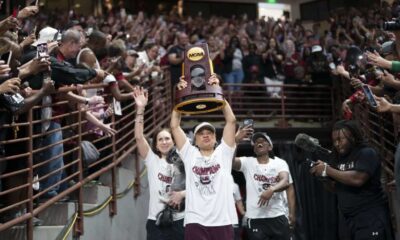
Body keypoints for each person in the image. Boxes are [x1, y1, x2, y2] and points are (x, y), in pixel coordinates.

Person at [170, 74, 238, 239]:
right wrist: (180, 95)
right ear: (195, 140)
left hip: (222, 220)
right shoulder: (189, 153)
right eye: (201, 133)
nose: (206, 135)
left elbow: (231, 120)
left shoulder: (224, 152)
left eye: (210, 133)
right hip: (195, 221)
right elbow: (174, 126)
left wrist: (217, 91)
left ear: (215, 138)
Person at [309, 120, 393, 240]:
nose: (337, 144)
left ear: (352, 137)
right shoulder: (337, 158)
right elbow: (334, 188)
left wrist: (327, 169)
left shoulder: (366, 153)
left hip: (370, 216)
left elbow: (358, 179)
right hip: (348, 219)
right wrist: (323, 177)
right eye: (334, 141)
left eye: (340, 139)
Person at [133, 87, 184, 240]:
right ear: (155, 145)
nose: (164, 142)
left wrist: (182, 194)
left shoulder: (184, 160)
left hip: (180, 220)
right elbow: (139, 137)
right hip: (156, 221)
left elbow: (196, 185)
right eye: (160, 139)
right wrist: (140, 108)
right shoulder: (152, 161)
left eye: (167, 138)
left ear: (174, 141)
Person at [233, 130, 290, 240]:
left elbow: (285, 181)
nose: (259, 143)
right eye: (256, 142)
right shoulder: (247, 162)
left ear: (270, 147)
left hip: (277, 216)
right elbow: (230, 162)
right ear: (254, 148)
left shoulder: (279, 163)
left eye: (263, 141)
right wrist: (236, 141)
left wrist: (272, 189)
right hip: (255, 219)